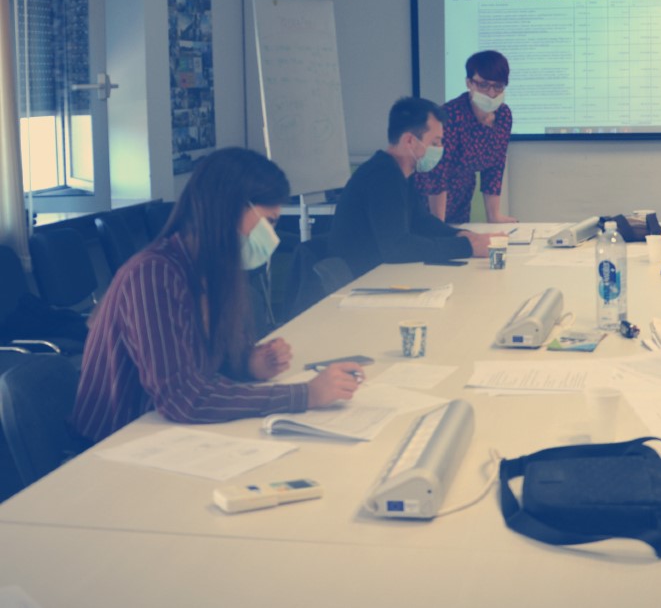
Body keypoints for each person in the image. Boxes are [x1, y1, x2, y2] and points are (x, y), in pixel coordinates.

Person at [73, 148, 362, 444]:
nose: (271, 237)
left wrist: (248, 363)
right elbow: (184, 398)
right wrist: (305, 394)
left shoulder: (215, 269)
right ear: (227, 212)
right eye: (268, 222)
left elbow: (203, 364)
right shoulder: (153, 274)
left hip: (165, 433)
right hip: (116, 444)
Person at [330, 96, 495, 275]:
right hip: (363, 278)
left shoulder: (399, 173)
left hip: (379, 273)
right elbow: (397, 247)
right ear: (410, 141)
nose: (440, 148)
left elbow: (421, 221)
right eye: (435, 142)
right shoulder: (383, 176)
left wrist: (462, 235)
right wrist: (467, 247)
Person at [416, 50, 517, 226]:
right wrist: (438, 225)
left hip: (462, 195)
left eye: (498, 86)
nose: (491, 93)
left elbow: (495, 166)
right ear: (469, 83)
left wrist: (494, 216)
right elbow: (437, 173)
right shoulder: (450, 116)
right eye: (483, 85)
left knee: (460, 235)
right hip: (427, 198)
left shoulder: (503, 116)